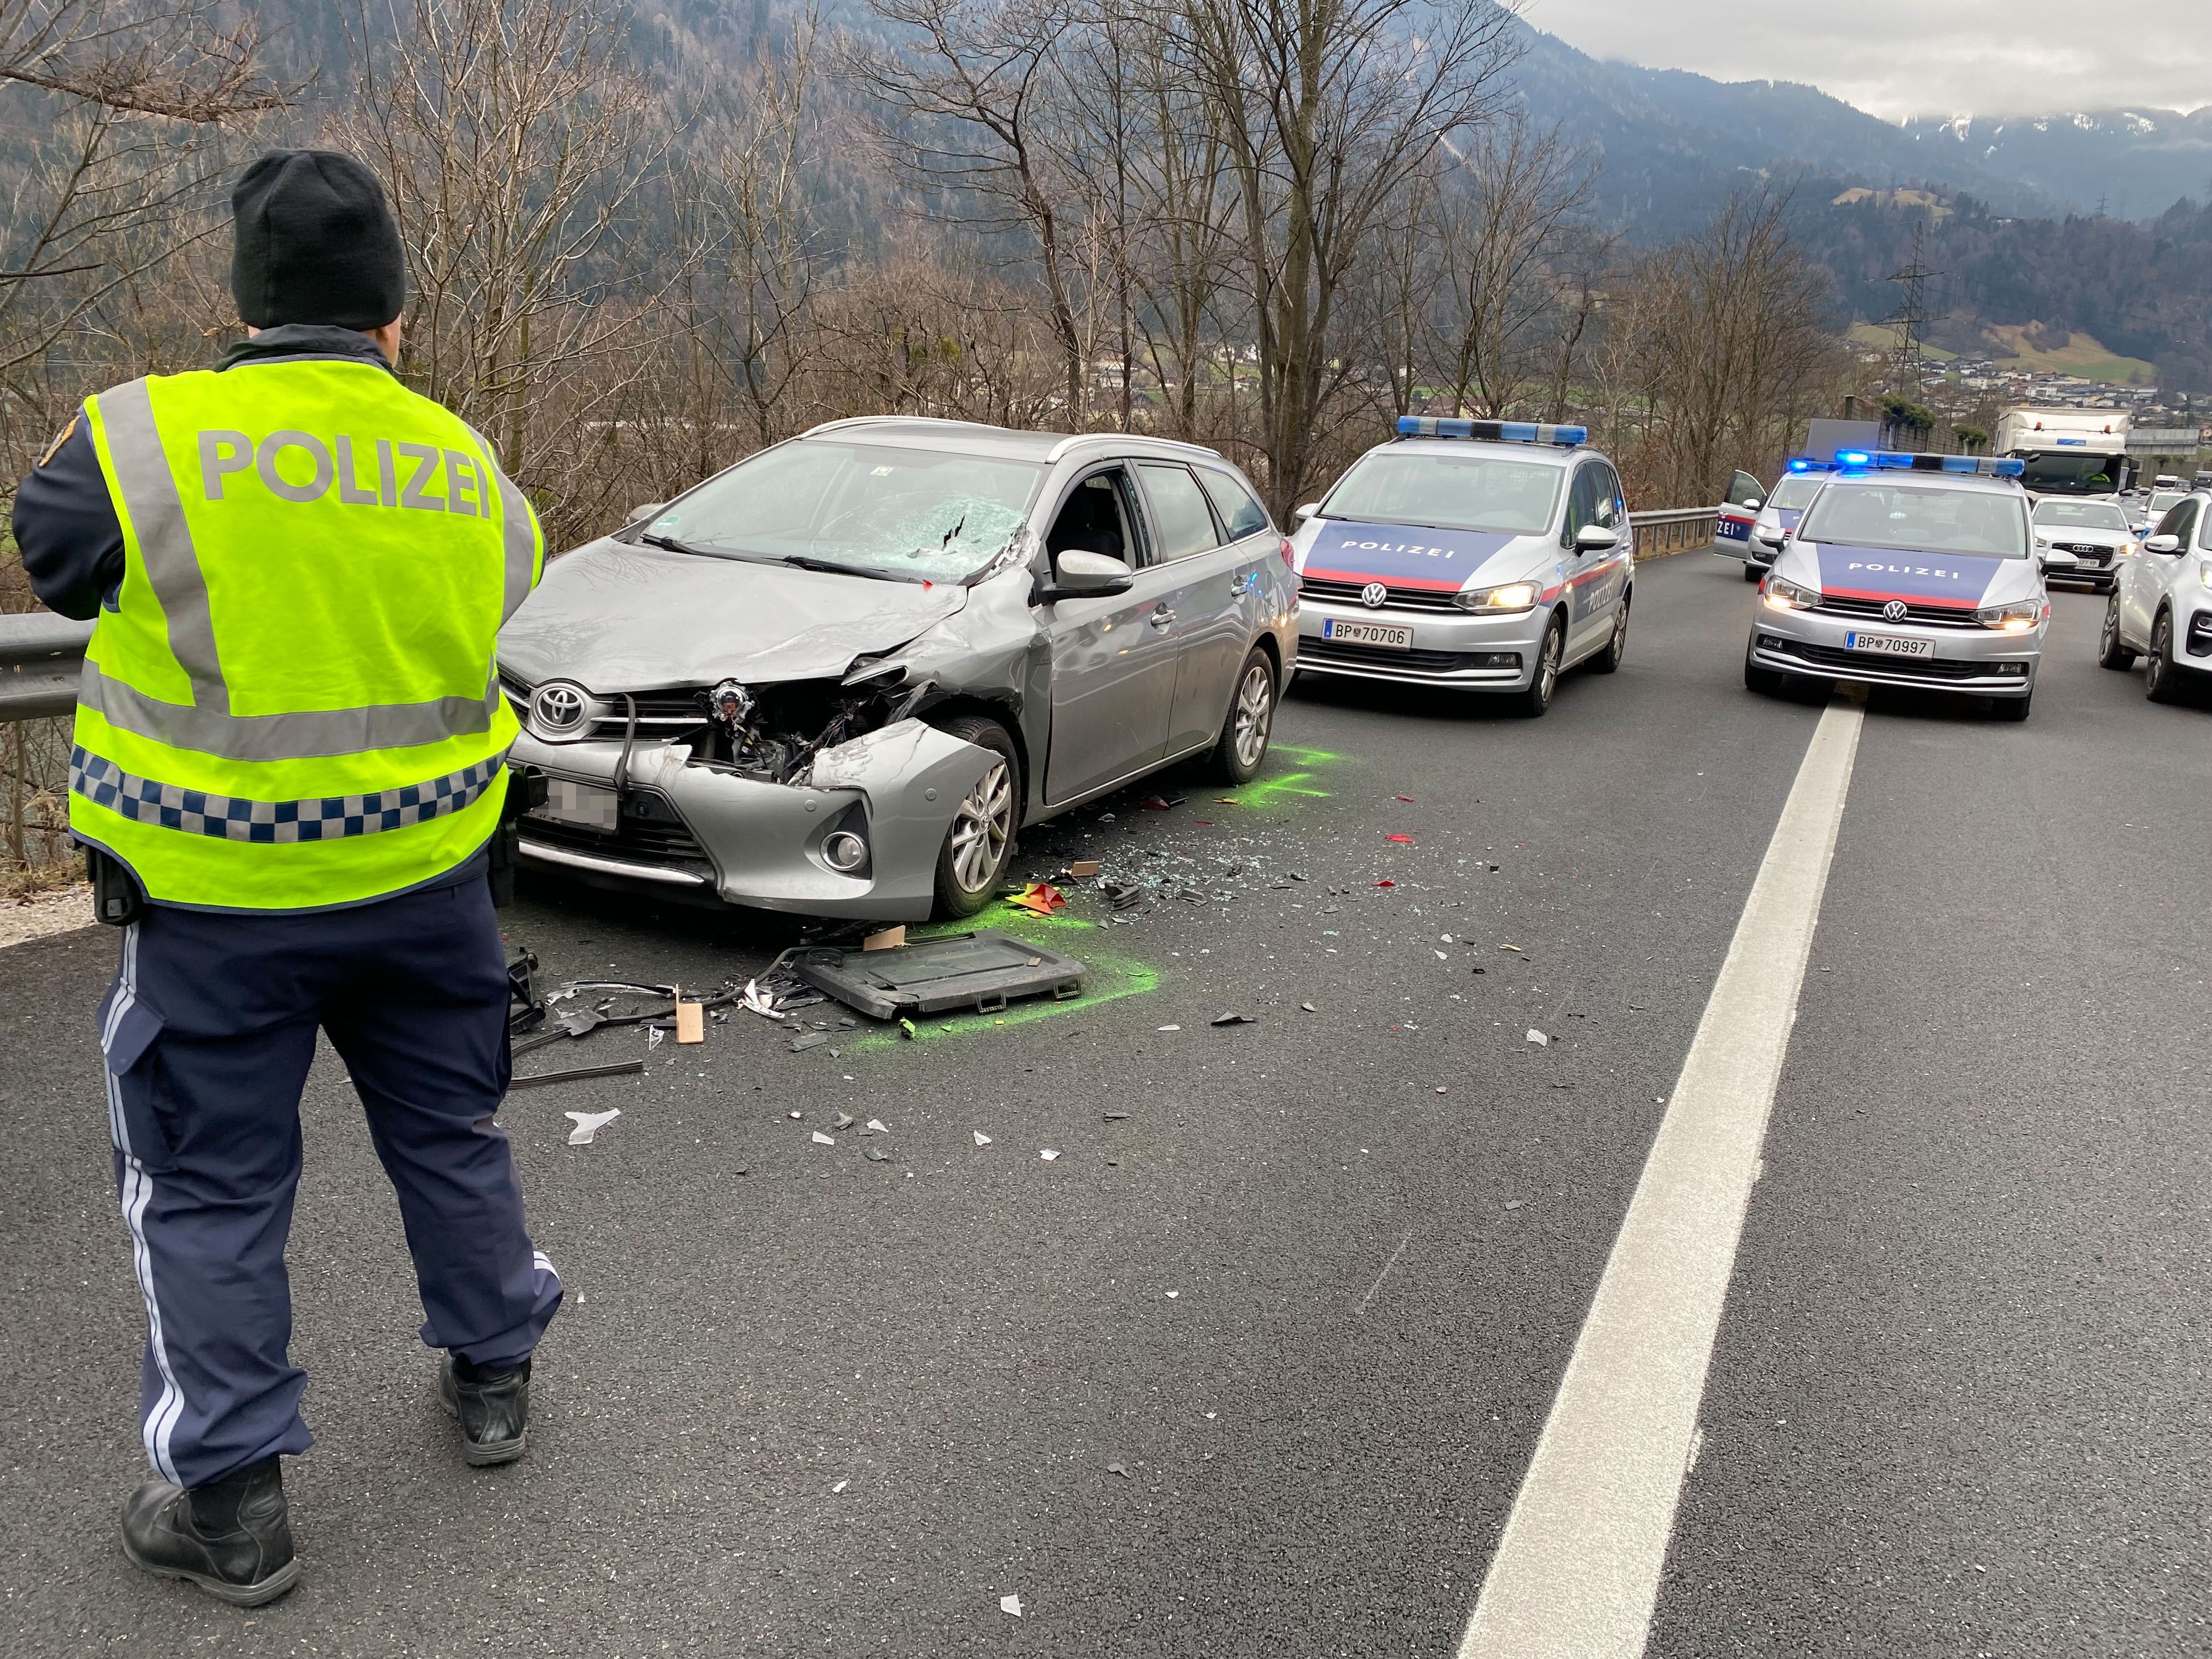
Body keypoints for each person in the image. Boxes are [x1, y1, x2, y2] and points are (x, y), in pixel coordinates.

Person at [14, 150, 562, 1607]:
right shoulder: (462, 464)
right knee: (451, 1132)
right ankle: (496, 1373)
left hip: (218, 910)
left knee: (206, 1188)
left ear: (244, 298)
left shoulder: (143, 439)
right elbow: (510, 585)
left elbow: (58, 560)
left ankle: (235, 1504)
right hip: (433, 886)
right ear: (392, 309)